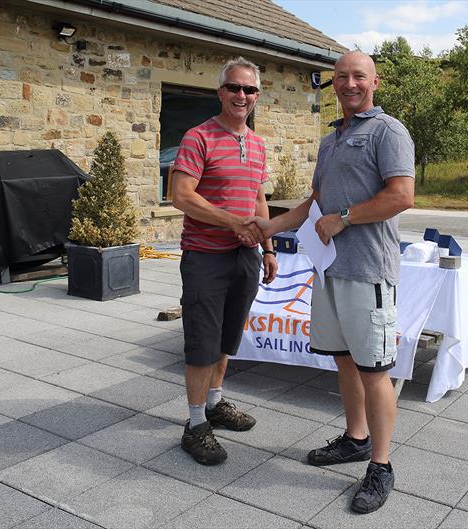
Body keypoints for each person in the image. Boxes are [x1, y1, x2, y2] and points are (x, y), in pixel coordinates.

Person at [244, 51, 414, 513]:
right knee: (343, 362)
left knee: (375, 371)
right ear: (333, 84)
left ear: (375, 81)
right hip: (330, 271)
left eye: (359, 76)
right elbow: (315, 203)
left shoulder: (388, 131)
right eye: (342, 77)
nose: (350, 84)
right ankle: (356, 438)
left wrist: (344, 218)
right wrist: (269, 227)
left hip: (368, 272)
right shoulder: (332, 139)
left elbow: (401, 196)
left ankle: (381, 466)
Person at [170, 57, 278, 466]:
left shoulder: (257, 142)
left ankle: (215, 403)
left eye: (249, 90)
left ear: (256, 96)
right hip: (205, 257)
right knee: (202, 342)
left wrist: (266, 247)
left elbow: (256, 196)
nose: (241, 96)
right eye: (234, 87)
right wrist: (234, 223)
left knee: (228, 337)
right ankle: (195, 424)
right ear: (220, 92)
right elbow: (182, 195)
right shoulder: (198, 137)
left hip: (245, 258)